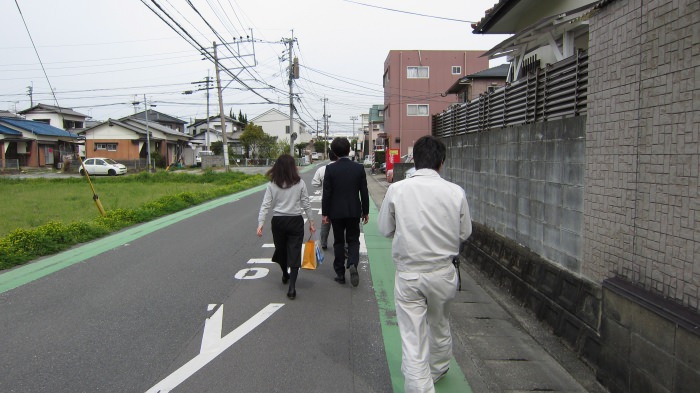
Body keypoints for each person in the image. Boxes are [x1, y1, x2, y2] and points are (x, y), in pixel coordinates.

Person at [377, 135, 472, 393]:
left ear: (414, 161)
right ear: (442, 162)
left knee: (413, 338)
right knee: (440, 323)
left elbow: (385, 228)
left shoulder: (398, 189)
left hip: (409, 274)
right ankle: (438, 368)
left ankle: (420, 386)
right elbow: (464, 233)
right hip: (443, 273)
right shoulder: (456, 192)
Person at [257, 154, 316, 300]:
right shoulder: (300, 182)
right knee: (294, 253)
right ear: (292, 167)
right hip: (295, 221)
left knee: (281, 250)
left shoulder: (272, 184)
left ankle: (285, 274)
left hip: (278, 222)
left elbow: (265, 205)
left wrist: (261, 223)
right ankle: (292, 288)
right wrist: (311, 221)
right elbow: (306, 203)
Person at [322, 137, 369, 287]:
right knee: (353, 240)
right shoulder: (358, 168)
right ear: (349, 150)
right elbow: (364, 191)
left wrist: (325, 213)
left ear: (334, 152)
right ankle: (353, 262)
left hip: (336, 212)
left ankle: (340, 274)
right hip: (354, 210)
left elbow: (327, 193)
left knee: (339, 242)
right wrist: (365, 211)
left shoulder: (330, 169)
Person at [311, 150, 338, 249]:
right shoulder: (342, 168)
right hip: (340, 200)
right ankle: (341, 244)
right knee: (340, 223)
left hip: (326, 200)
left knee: (325, 222)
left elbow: (315, 183)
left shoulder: (322, 169)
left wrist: (322, 184)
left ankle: (323, 242)